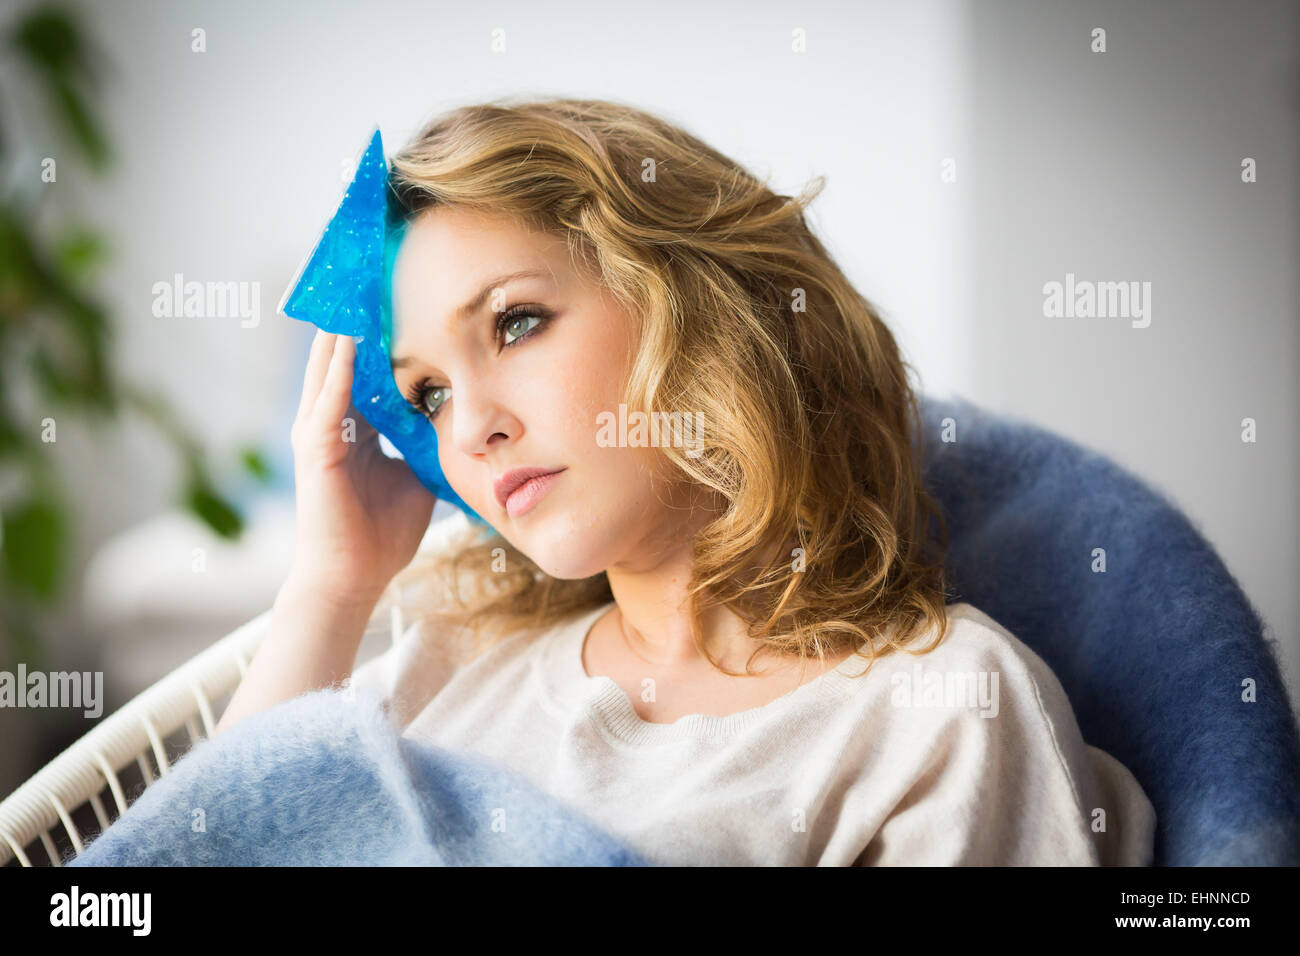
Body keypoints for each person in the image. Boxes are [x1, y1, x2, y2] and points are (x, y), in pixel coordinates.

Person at [217, 96, 1156, 866]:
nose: (471, 426)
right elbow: (194, 857)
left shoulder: (944, 709)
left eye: (513, 322)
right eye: (427, 394)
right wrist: (334, 581)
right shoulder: (458, 655)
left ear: (693, 309)